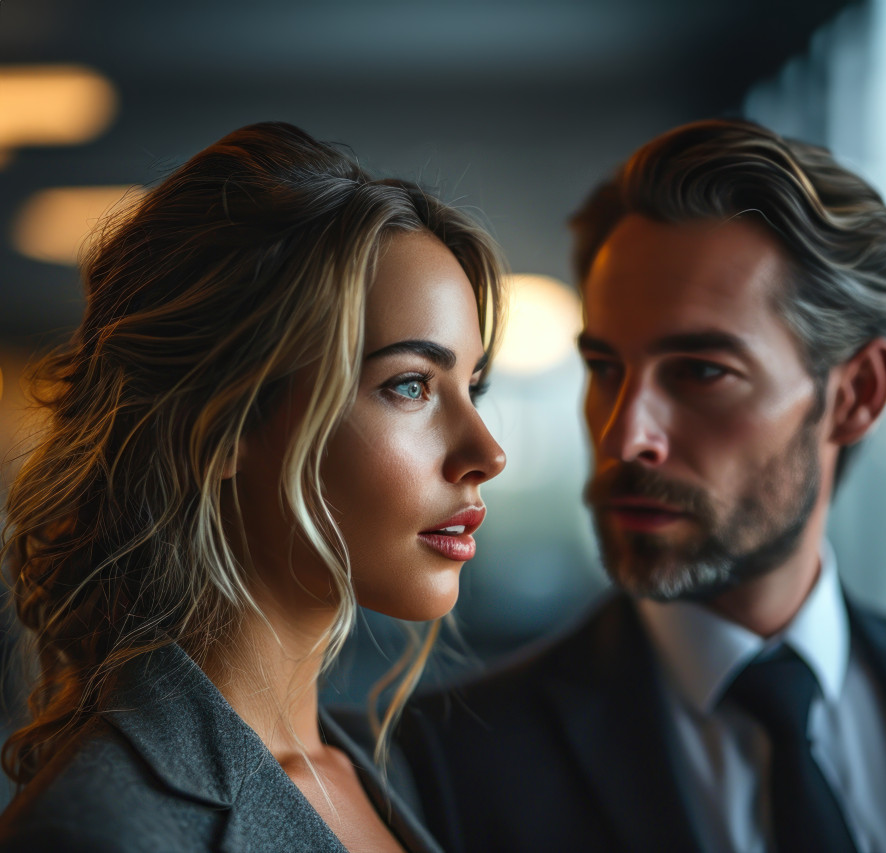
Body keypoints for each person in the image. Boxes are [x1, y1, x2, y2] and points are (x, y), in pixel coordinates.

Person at [374, 118, 886, 853]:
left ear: (857, 393)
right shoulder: (447, 761)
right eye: (605, 369)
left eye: (701, 372)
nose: (625, 435)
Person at [0, 122, 506, 852]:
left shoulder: (379, 774)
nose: (486, 452)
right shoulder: (100, 829)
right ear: (224, 422)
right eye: (410, 385)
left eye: (472, 386)